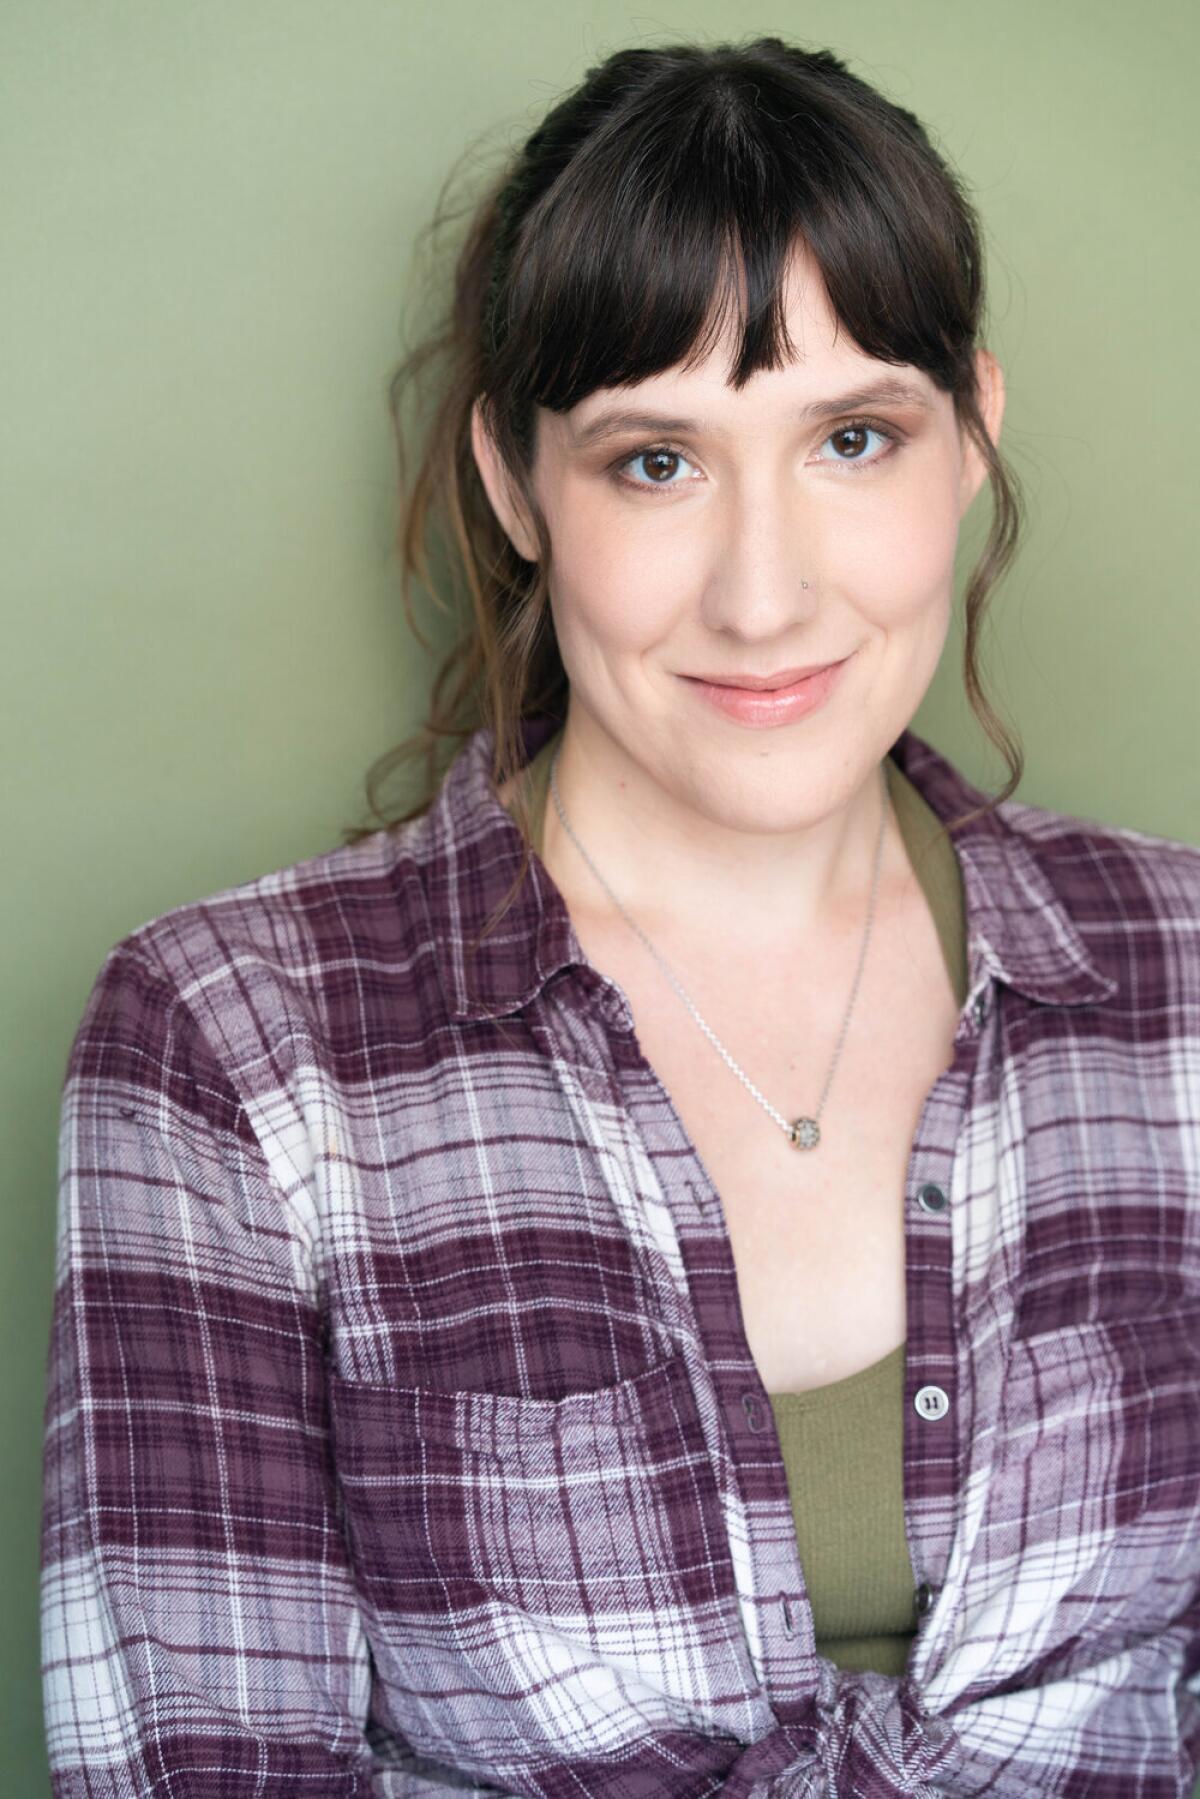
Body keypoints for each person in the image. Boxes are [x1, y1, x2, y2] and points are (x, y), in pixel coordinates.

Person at [40, 33, 1200, 1797]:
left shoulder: (1182, 986)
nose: (763, 592)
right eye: (656, 462)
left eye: (853, 440)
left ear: (969, 437)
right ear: (518, 487)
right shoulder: (231, 1052)